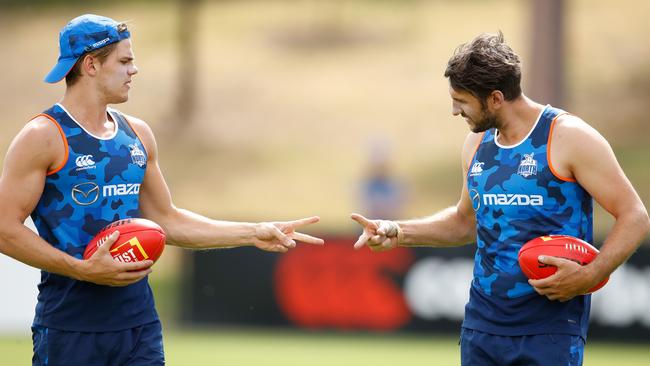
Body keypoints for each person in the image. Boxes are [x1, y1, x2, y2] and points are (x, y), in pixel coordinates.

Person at [0, 14, 323, 366]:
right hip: (70, 329)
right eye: (124, 61)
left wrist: (252, 232)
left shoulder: (137, 135)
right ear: (91, 65)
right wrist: (81, 269)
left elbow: (166, 220)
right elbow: (4, 229)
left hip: (139, 326)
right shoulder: (43, 136)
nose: (134, 70)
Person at [351, 32, 649, 365]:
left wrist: (592, 274)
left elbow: (635, 216)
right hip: (482, 327)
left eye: (462, 101)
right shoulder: (476, 145)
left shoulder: (568, 137)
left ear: (495, 98)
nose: (454, 110)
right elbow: (465, 222)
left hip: (549, 331)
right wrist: (397, 231)